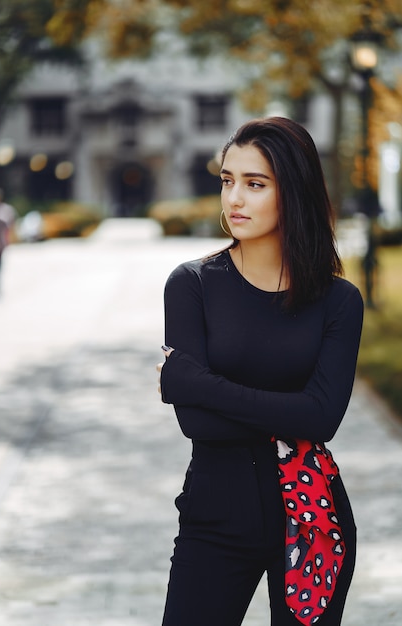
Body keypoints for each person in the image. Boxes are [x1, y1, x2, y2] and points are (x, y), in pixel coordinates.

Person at [157, 117, 364, 626]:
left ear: (292, 190)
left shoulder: (339, 301)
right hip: (213, 517)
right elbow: (197, 424)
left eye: (255, 184)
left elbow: (322, 420)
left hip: (313, 519)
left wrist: (196, 383)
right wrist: (292, 411)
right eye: (228, 180)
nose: (235, 199)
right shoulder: (193, 285)